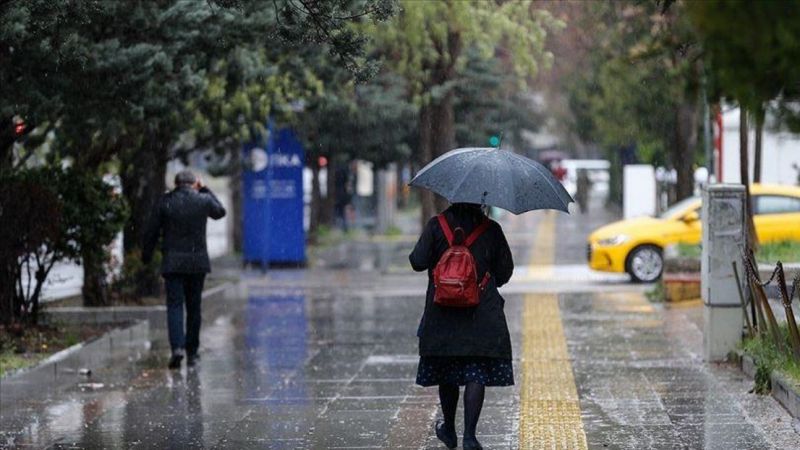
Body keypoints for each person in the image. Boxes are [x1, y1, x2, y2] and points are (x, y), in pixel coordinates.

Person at [409, 203, 514, 450]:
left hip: (442, 313)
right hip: (481, 313)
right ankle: (470, 436)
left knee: (447, 370)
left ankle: (449, 429)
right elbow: (505, 272)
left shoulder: (437, 225)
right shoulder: (491, 229)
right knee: (475, 370)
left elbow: (417, 261)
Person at [143, 169, 226, 369]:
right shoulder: (203, 200)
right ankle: (193, 352)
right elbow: (220, 212)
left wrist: (146, 256)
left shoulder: (165, 202)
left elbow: (151, 231)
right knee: (194, 307)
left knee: (174, 306)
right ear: (194, 183)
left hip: (173, 263)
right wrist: (205, 188)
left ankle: (177, 349)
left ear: (176, 183)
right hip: (197, 264)